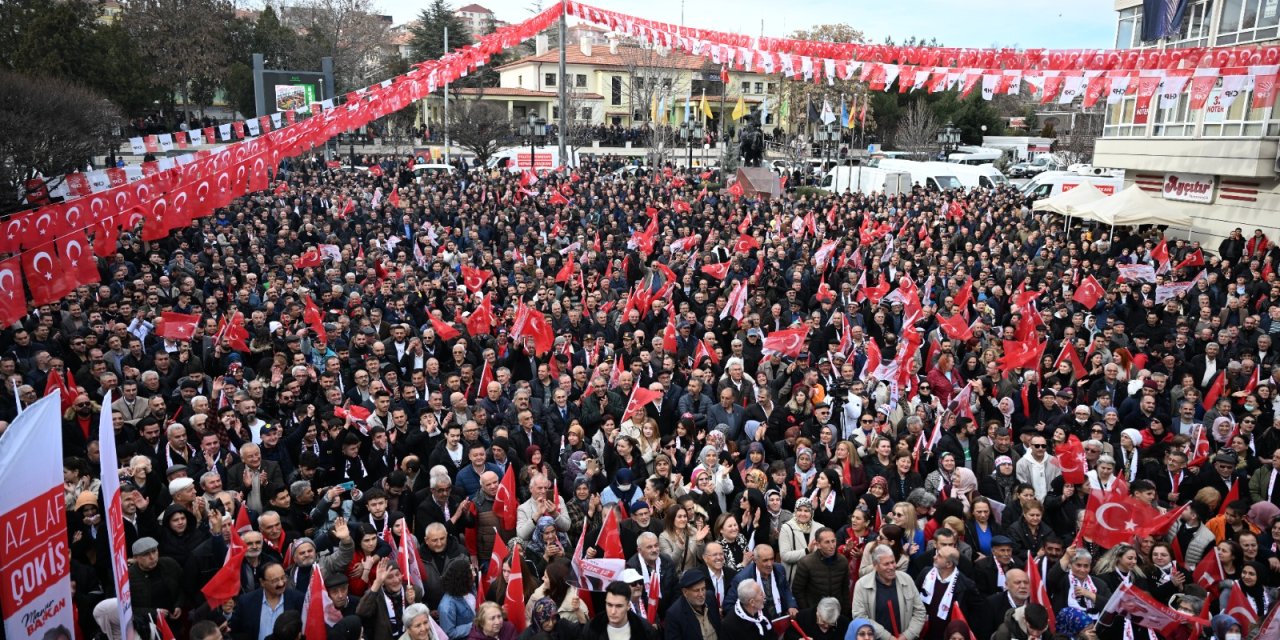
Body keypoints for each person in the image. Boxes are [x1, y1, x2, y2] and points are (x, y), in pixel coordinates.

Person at [850, 545, 926, 640]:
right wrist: (888, 637)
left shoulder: (906, 579)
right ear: (875, 566)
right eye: (886, 564)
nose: (892, 567)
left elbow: (920, 611)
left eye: (893, 562)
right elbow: (859, 616)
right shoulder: (862, 585)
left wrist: (907, 636)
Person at [229, 563, 304, 640]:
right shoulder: (246, 602)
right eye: (275, 581)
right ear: (262, 582)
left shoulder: (298, 599)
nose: (281, 583)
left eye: (283, 578)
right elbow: (235, 631)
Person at [723, 544, 797, 619]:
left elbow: (786, 589)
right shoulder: (742, 578)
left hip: (780, 616)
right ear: (755, 560)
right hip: (757, 622)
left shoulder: (779, 569)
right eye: (765, 560)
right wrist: (748, 617)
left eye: (772, 559)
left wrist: (791, 605)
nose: (770, 564)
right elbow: (728, 606)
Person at [792, 528, 849, 615]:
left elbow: (845, 589)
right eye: (827, 542)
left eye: (833, 541)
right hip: (814, 612)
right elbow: (798, 590)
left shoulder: (843, 561)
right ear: (818, 545)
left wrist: (845, 611)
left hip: (837, 611)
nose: (832, 546)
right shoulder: (806, 563)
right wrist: (807, 611)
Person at [582, 581, 658, 640]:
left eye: (619, 606)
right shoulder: (592, 627)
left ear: (628, 606)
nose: (613, 611)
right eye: (609, 605)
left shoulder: (645, 630)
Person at [663, 569, 723, 640]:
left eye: (703, 589)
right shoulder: (674, 615)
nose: (701, 594)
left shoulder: (710, 598)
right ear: (685, 592)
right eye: (696, 590)